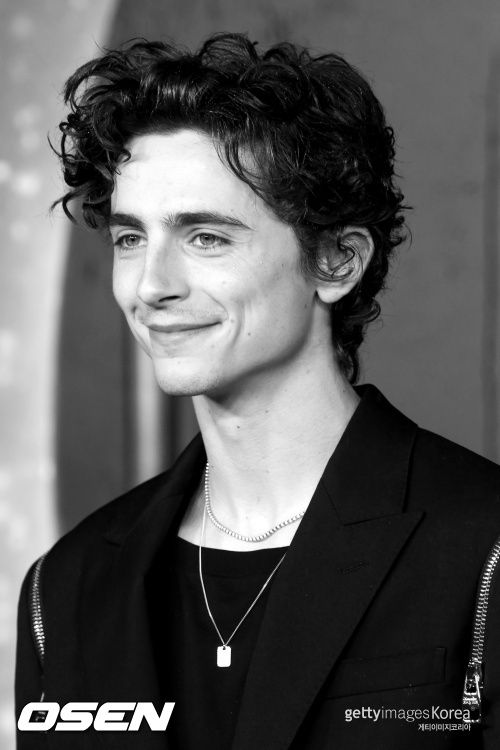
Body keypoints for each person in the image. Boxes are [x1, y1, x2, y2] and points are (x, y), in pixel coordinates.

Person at [15, 32, 500, 749]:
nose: (151, 286)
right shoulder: (64, 588)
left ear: (336, 262)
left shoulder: (484, 547)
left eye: (206, 237)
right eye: (130, 239)